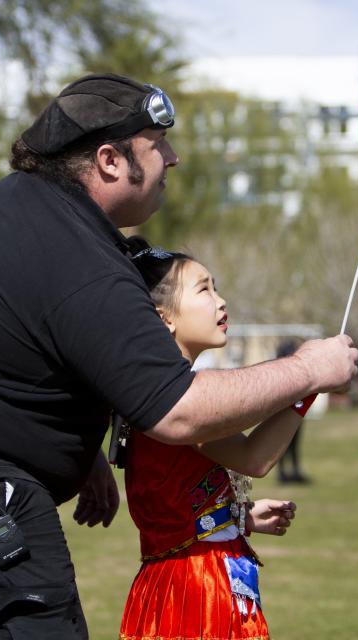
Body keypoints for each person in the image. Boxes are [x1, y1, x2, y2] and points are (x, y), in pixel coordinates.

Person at [0, 73, 358, 639]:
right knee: (37, 623)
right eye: (159, 145)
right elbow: (179, 410)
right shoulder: (75, 250)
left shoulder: (36, 215)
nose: (173, 159)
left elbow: (21, 350)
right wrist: (309, 368)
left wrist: (84, 456)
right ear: (110, 160)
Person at [119, 238, 300, 639]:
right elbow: (255, 458)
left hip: (193, 574)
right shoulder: (178, 400)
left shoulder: (160, 391)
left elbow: (176, 505)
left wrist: (238, 517)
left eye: (216, 287)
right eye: (204, 289)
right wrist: (307, 384)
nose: (221, 301)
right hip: (192, 590)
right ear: (163, 317)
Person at [275, 338, 311, 484]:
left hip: (294, 411)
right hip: (282, 412)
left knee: (294, 444)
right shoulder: (278, 371)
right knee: (282, 445)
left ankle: (294, 472)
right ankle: (283, 473)